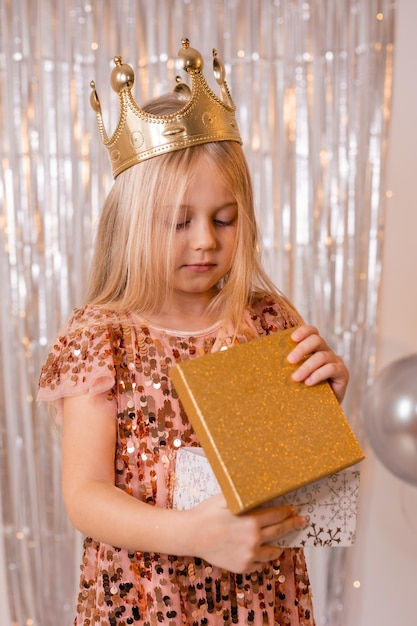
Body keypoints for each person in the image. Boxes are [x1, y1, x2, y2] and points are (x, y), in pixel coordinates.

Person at [38, 39, 349, 626]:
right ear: (131, 225)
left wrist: (322, 408)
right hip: (142, 598)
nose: (205, 239)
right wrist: (195, 534)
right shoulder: (101, 337)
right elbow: (85, 494)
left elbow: (287, 468)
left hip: (256, 596)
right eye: (179, 222)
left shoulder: (264, 322)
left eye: (223, 219)